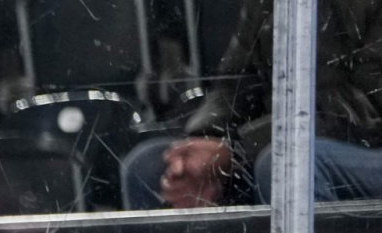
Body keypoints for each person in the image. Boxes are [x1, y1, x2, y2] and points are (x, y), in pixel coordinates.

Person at [123, 0, 382, 208]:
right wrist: (204, 142)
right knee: (148, 167)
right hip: (280, 143)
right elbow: (234, 84)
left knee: (288, 165)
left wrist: (236, 151)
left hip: (366, 149)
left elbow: (366, 111)